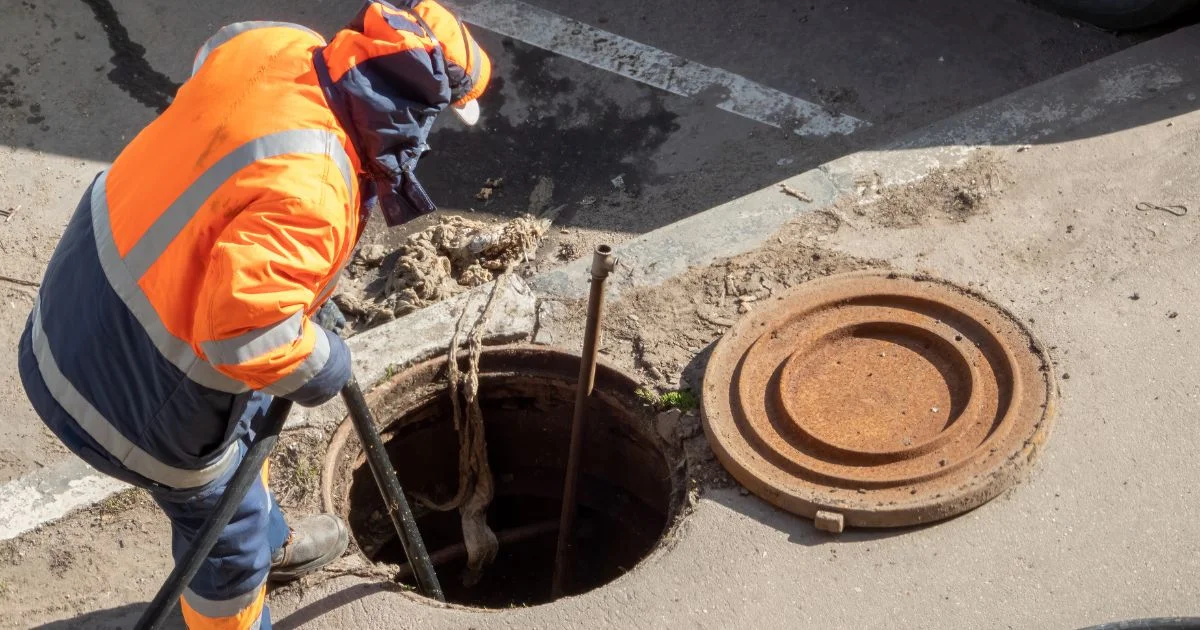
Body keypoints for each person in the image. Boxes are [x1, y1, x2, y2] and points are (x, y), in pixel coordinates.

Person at [16, 1, 491, 628]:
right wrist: (325, 363)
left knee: (255, 417)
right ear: (412, 108)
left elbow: (211, 68)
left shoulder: (277, 45)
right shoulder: (318, 188)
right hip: (130, 395)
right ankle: (238, 595)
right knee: (224, 542)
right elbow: (244, 334)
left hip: (77, 303)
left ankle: (276, 546)